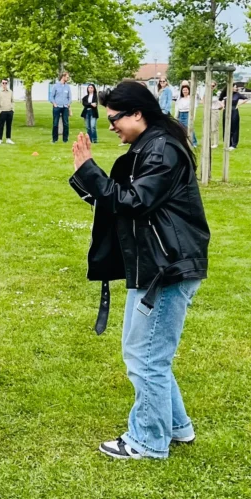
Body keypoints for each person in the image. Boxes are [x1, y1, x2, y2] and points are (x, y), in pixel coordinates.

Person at [69, 80, 210, 460]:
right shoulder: (148, 146)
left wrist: (90, 170)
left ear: (137, 114)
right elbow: (118, 204)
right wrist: (86, 177)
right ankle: (177, 426)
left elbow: (133, 202)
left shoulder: (162, 150)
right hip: (153, 265)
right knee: (148, 353)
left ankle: (148, 440)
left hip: (166, 268)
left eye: (114, 118)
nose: (110, 125)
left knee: (146, 357)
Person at [219, 83, 247, 150]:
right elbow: (220, 100)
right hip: (226, 111)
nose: (235, 88)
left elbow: (246, 98)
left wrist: (239, 104)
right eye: (234, 87)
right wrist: (223, 106)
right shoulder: (225, 94)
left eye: (236, 87)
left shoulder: (237, 94)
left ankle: (234, 144)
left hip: (234, 111)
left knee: (234, 127)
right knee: (226, 126)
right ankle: (227, 143)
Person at [50, 71, 72, 143]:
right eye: (67, 77)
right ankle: (54, 139)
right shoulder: (55, 86)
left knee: (66, 123)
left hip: (65, 107)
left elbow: (70, 97)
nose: (68, 78)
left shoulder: (67, 87)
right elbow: (51, 96)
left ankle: (65, 139)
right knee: (55, 123)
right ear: (63, 77)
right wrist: (54, 104)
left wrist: (68, 104)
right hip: (57, 107)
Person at [0, 79, 15, 144]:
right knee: (1, 125)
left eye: (6, 83)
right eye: (3, 83)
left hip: (9, 111)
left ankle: (8, 138)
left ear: (7, 83)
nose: (4, 84)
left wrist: (12, 109)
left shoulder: (10, 91)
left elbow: (13, 101)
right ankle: (0, 139)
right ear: (1, 83)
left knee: (9, 125)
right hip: (2, 111)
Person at [208, 81, 223, 149]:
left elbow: (217, 100)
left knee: (214, 127)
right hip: (209, 110)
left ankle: (215, 143)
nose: (212, 87)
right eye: (210, 86)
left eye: (213, 86)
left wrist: (221, 106)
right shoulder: (207, 92)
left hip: (215, 111)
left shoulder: (217, 93)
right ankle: (209, 142)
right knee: (209, 127)